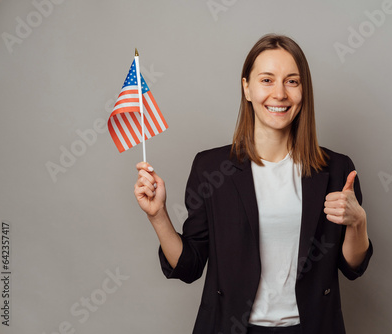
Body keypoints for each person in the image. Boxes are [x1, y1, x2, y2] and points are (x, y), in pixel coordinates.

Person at [134, 34, 373, 334]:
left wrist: (358, 222)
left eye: (292, 81)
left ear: (304, 91)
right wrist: (158, 216)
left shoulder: (337, 170)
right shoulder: (211, 168)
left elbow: (352, 266)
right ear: (247, 87)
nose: (280, 94)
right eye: (267, 80)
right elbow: (189, 267)